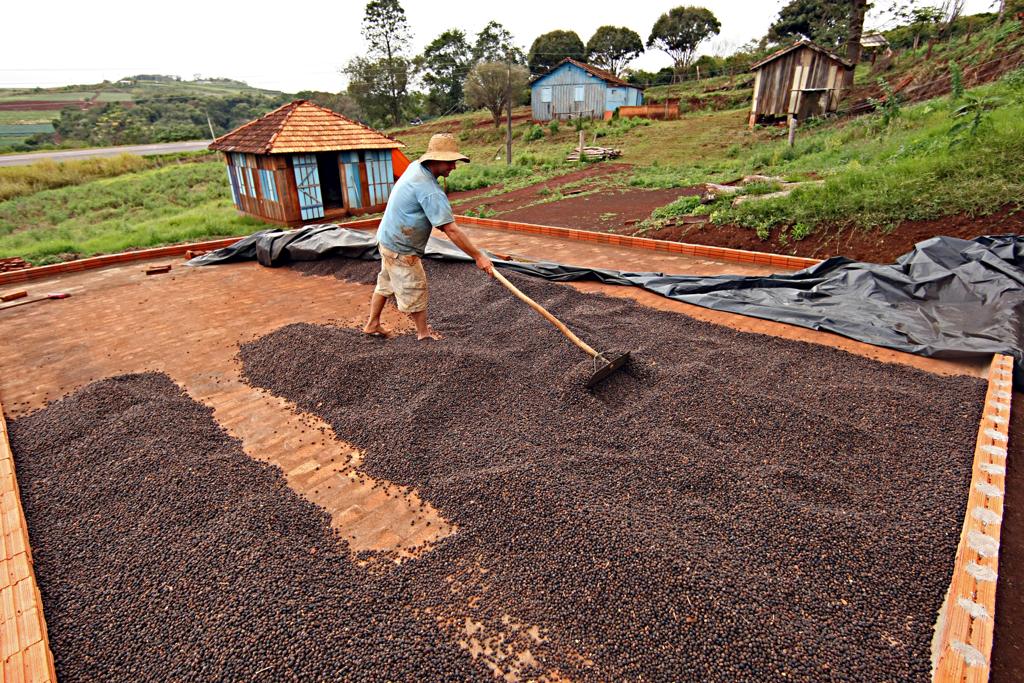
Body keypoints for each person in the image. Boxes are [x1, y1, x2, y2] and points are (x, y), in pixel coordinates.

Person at [363, 133, 494, 341]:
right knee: (416, 287)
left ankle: (372, 324)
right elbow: (450, 229)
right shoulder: (429, 189)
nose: (453, 167)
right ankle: (423, 335)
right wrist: (479, 256)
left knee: (386, 283)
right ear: (435, 160)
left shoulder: (415, 167)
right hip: (401, 247)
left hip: (386, 238)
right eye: (450, 162)